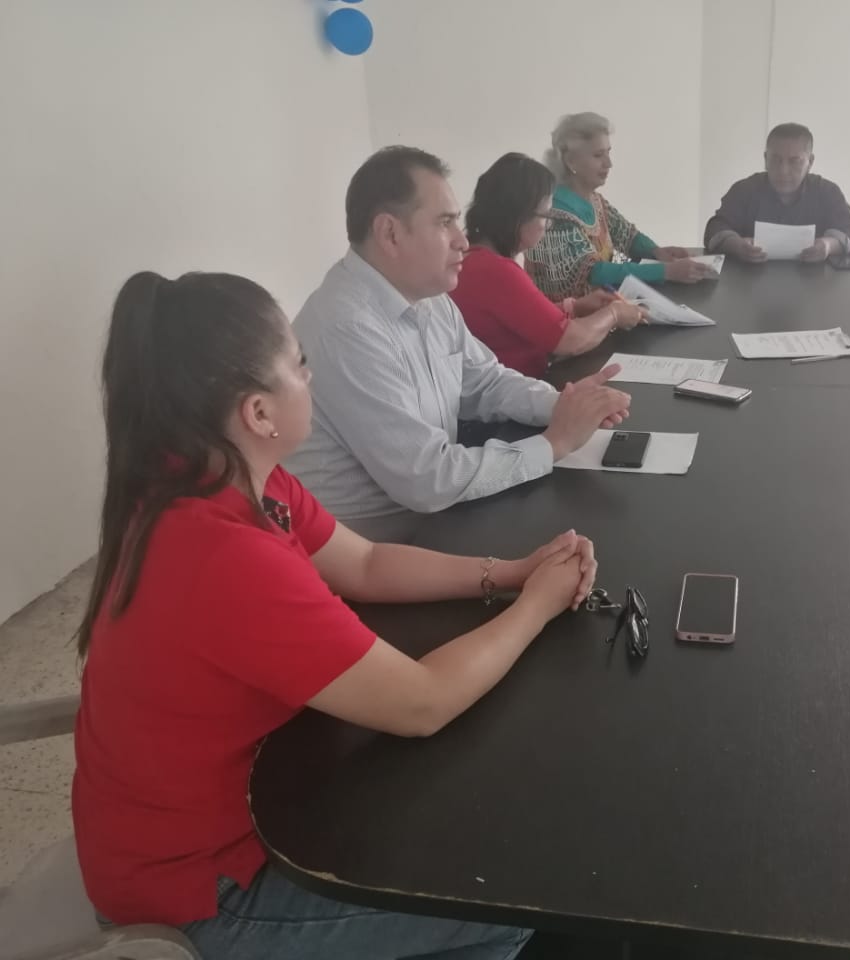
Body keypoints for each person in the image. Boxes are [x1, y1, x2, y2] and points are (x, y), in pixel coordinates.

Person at [72, 269, 600, 960]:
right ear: (258, 413)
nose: (310, 376)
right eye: (299, 364)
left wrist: (509, 573)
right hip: (208, 893)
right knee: (506, 901)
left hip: (229, 811)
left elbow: (367, 564)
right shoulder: (222, 555)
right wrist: (537, 606)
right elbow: (422, 703)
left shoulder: (226, 474)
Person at [286, 146, 632, 544]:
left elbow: (484, 381)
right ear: (390, 233)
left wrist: (563, 405)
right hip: (376, 548)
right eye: (445, 223)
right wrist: (554, 443)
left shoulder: (428, 297)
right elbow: (426, 479)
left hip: (431, 520)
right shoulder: (346, 328)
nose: (463, 241)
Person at [452, 152, 648, 377]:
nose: (547, 226)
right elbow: (571, 340)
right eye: (545, 215)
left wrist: (575, 307)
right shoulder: (495, 271)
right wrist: (614, 314)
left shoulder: (473, 258)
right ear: (518, 216)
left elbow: (521, 318)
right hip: (517, 389)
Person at [525, 112, 711, 300]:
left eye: (608, 152)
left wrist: (657, 252)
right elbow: (594, 272)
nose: (609, 163)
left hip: (600, 309)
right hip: (567, 316)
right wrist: (667, 271)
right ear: (570, 161)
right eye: (598, 155)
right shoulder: (555, 214)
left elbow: (627, 235)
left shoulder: (594, 200)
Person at [703, 122, 850, 264]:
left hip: (814, 282)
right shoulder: (745, 190)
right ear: (765, 158)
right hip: (750, 280)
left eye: (794, 161)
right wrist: (737, 246)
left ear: (810, 162)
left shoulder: (827, 191)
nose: (783, 170)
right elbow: (714, 229)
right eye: (775, 160)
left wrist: (828, 246)